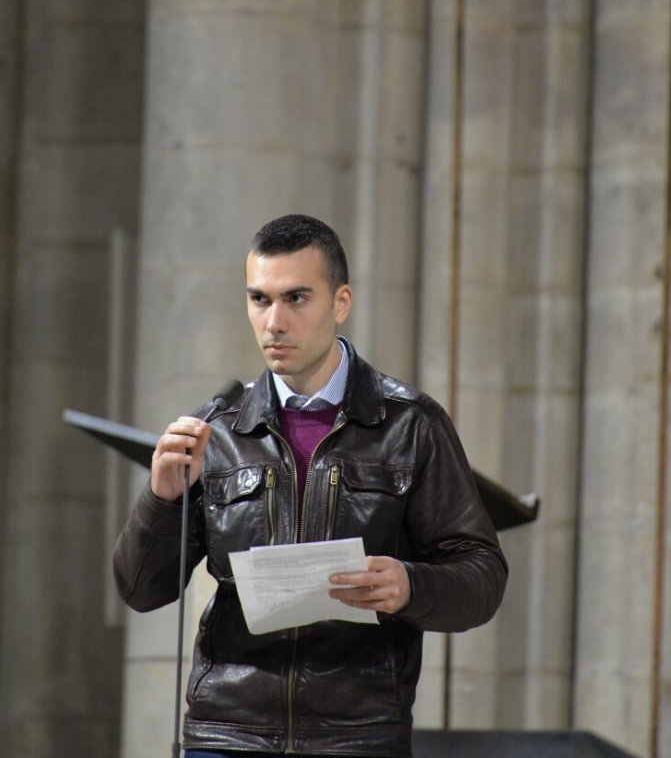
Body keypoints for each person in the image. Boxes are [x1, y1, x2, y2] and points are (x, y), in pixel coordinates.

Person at [113, 214, 508, 758]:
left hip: (358, 735)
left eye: (296, 298)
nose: (274, 321)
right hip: (228, 735)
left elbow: (482, 575)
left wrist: (412, 585)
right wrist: (162, 500)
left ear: (340, 303)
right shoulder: (219, 432)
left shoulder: (409, 424)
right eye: (259, 299)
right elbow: (140, 590)